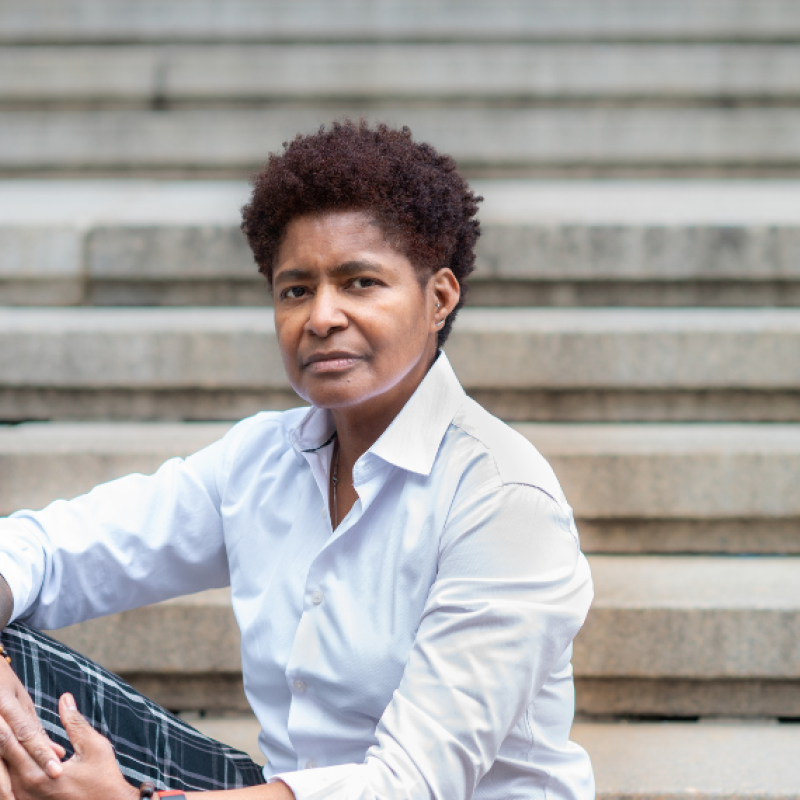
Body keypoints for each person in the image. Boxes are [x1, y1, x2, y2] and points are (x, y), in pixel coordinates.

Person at [0, 121, 594, 800]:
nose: (321, 317)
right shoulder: (261, 459)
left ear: (439, 298)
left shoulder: (503, 498)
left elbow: (410, 784)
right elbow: (49, 549)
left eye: (360, 283)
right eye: (295, 290)